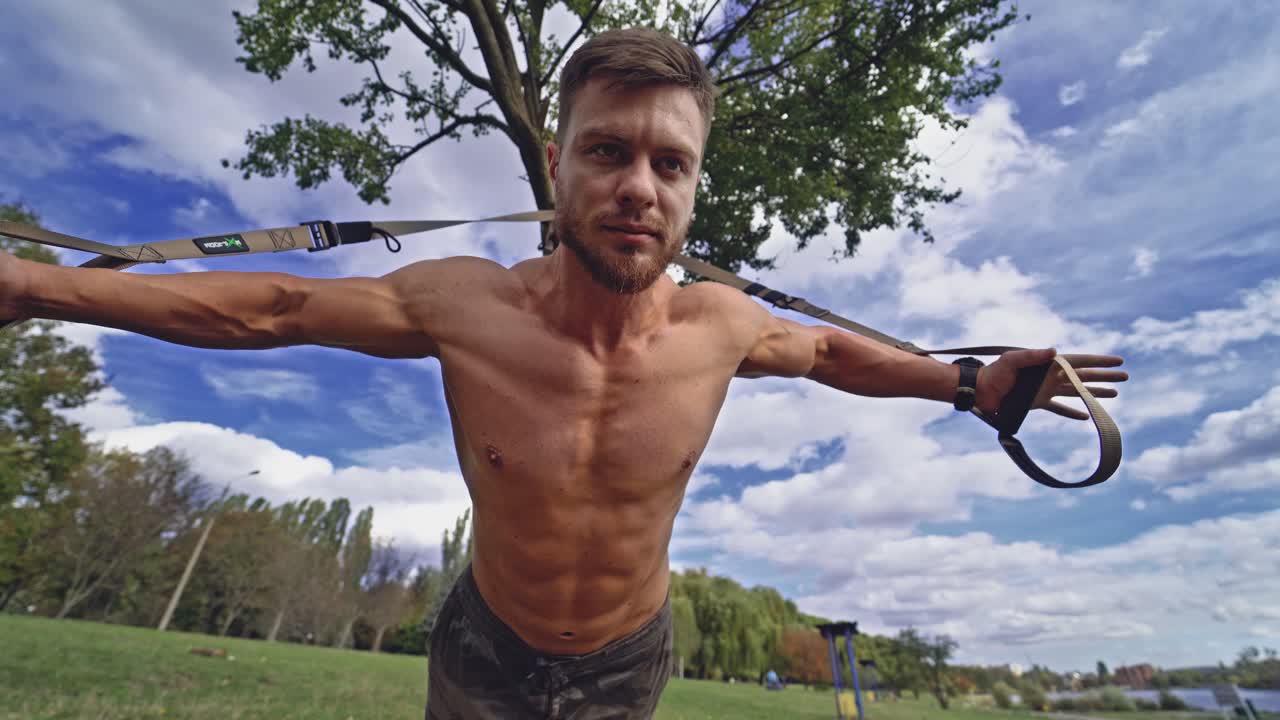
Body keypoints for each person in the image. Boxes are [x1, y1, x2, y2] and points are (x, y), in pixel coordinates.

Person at [0, 27, 1126, 720]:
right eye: (607, 151)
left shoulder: (722, 326)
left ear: (693, 188)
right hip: (483, 651)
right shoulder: (462, 305)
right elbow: (276, 307)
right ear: (556, 166)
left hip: (629, 663)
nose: (638, 186)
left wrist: (968, 387)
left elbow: (831, 352)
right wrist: (35, 287)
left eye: (669, 164)